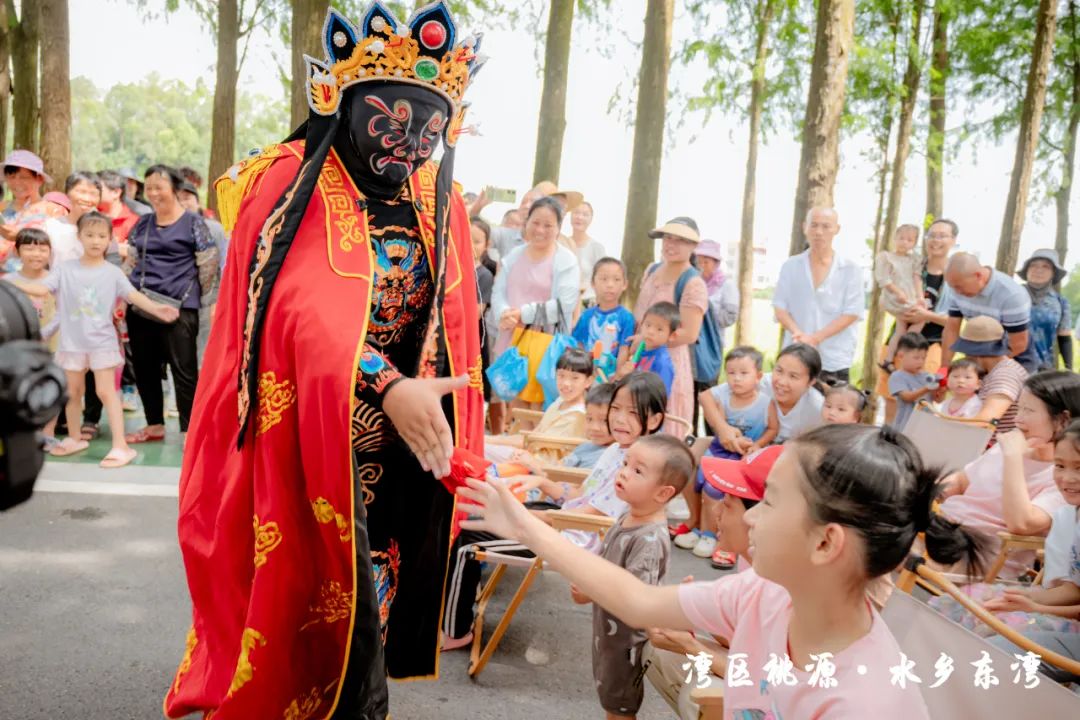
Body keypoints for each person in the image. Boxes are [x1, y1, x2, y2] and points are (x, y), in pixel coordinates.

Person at [165, 7, 487, 717]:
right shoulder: (292, 179)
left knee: (372, 599)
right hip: (307, 428)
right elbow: (288, 310)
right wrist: (385, 381)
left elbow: (460, 322)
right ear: (341, 105)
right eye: (392, 125)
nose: (410, 148)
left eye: (429, 134)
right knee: (303, 593)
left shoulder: (438, 197)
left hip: (402, 442)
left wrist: (451, 413)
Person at [457, 423, 987, 719]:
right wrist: (524, 525)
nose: (748, 516)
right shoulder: (763, 594)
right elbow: (637, 601)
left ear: (826, 543)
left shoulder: (862, 705)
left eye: (768, 501)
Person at [442, 372, 667, 650]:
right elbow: (578, 496)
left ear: (654, 420)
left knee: (467, 538)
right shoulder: (616, 450)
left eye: (632, 412)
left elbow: (587, 518)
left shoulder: (633, 465)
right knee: (477, 515)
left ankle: (456, 630)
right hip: (563, 520)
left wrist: (519, 514)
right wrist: (540, 482)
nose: (619, 419)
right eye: (616, 409)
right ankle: (461, 598)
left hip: (570, 539)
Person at [18, 212, 179, 466]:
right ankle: (74, 438)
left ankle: (121, 446)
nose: (95, 241)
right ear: (79, 237)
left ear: (110, 240)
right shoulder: (64, 269)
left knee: (106, 392)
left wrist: (158, 309)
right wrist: (14, 283)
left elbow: (133, 296)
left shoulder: (113, 272)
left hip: (101, 343)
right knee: (72, 393)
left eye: (102, 236)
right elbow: (41, 289)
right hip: (71, 344)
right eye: (90, 235)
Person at [571, 434, 691, 720]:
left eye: (638, 471)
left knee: (620, 706)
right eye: (625, 463)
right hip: (610, 634)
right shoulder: (630, 514)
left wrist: (591, 591)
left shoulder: (648, 539)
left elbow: (635, 598)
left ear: (662, 493)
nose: (624, 472)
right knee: (611, 700)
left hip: (627, 643)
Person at [930, 419, 1080, 640]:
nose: (1067, 478)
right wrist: (1024, 596)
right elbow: (1072, 590)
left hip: (1069, 628)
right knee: (952, 602)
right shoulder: (1068, 515)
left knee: (991, 625)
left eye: (1078, 467)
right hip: (1050, 599)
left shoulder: (1056, 503)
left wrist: (1035, 607)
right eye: (1059, 466)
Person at [938, 371, 1080, 578]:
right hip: (942, 531)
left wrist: (1013, 457)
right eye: (1019, 408)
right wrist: (928, 490)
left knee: (891, 547)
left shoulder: (1065, 477)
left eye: (1028, 410)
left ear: (1063, 421)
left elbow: (1021, 523)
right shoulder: (1012, 444)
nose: (1017, 418)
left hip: (977, 556)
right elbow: (961, 481)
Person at [123, 165, 218, 445]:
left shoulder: (194, 224)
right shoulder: (143, 223)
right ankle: (154, 425)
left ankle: (190, 430)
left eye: (159, 187)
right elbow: (131, 261)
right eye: (149, 188)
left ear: (176, 189)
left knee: (184, 370)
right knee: (145, 369)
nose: (153, 193)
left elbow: (208, 267)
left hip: (180, 308)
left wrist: (202, 304)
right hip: (142, 307)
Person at [681, 346, 777, 566]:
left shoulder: (765, 403)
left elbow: (773, 428)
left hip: (744, 456)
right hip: (720, 450)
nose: (736, 378)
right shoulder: (723, 398)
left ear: (758, 376)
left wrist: (758, 445)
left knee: (717, 491)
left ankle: (716, 537)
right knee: (700, 483)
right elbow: (721, 429)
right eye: (731, 373)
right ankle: (702, 530)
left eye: (744, 373)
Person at [490, 197, 579, 408]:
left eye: (548, 225)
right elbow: (498, 292)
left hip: (546, 346)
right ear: (526, 222)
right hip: (513, 342)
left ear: (558, 228)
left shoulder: (566, 260)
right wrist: (504, 313)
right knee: (515, 408)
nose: (540, 230)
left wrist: (522, 314)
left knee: (539, 409)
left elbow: (565, 305)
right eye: (536, 222)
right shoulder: (514, 255)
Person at [876, 218, 958, 424]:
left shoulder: (956, 277)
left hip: (931, 347)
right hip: (900, 344)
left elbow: (956, 321)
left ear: (953, 240)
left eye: (942, 236)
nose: (935, 240)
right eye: (932, 235)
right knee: (891, 408)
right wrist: (900, 309)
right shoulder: (912, 265)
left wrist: (926, 316)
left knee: (922, 409)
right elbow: (885, 297)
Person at [773, 207, 864, 385]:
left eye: (826, 226)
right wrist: (798, 334)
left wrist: (815, 338)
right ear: (804, 227)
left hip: (834, 357)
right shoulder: (791, 266)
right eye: (814, 225)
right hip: (796, 355)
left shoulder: (851, 270)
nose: (819, 232)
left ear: (837, 229)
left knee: (835, 402)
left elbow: (852, 312)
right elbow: (779, 306)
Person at [633, 217, 708, 434]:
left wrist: (650, 339)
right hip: (638, 357)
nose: (671, 244)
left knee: (662, 426)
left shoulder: (693, 283)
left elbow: (689, 333)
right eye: (668, 238)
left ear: (693, 246)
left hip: (668, 364)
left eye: (680, 240)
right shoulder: (652, 269)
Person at [485, 346, 591, 461]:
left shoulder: (576, 415)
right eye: (561, 375)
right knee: (482, 447)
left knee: (482, 449)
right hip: (529, 455)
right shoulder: (562, 400)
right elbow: (533, 437)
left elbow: (532, 442)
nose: (566, 383)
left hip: (539, 464)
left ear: (588, 381)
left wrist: (490, 440)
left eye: (575, 378)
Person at [943, 251, 1038, 372]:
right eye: (952, 287)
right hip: (978, 357)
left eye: (958, 287)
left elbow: (1018, 343)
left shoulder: (1012, 295)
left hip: (1015, 358)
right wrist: (944, 367)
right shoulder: (957, 288)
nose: (956, 292)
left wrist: (986, 368)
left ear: (978, 276)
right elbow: (952, 329)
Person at [951, 316, 1028, 438]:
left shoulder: (1005, 375)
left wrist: (945, 426)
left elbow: (985, 420)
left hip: (999, 445)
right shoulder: (991, 372)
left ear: (975, 352)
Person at [692, 239, 739, 426]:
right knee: (690, 391)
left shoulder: (726, 285)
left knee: (709, 392)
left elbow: (730, 316)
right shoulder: (692, 282)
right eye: (699, 260)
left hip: (712, 346)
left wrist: (706, 313)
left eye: (707, 260)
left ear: (716, 262)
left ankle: (714, 432)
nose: (702, 265)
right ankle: (690, 433)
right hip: (691, 345)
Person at [572, 257, 635, 381]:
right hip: (586, 375)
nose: (610, 285)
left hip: (610, 377)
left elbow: (624, 349)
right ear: (593, 283)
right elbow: (579, 345)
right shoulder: (586, 316)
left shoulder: (626, 318)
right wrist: (582, 370)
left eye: (616, 279)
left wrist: (618, 376)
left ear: (625, 284)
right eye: (604, 279)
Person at [877, 224, 926, 369]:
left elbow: (917, 278)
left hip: (910, 296)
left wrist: (920, 297)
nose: (904, 242)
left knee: (900, 329)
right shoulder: (886, 257)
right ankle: (905, 349)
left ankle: (889, 360)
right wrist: (898, 292)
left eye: (909, 240)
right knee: (921, 318)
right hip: (896, 297)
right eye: (901, 238)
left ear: (914, 243)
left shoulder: (914, 259)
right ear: (895, 238)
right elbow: (884, 280)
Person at [1018, 248, 1073, 372]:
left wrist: (1069, 369)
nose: (1038, 270)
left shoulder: (1061, 302)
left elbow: (1064, 339)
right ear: (1027, 270)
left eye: (1046, 266)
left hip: (1043, 370)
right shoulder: (1011, 294)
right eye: (1033, 265)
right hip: (1010, 367)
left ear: (1053, 273)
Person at [763, 343, 825, 442]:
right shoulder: (757, 386)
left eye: (793, 376)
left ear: (811, 382)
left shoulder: (818, 409)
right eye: (779, 371)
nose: (782, 382)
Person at [620, 300, 677, 397]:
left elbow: (661, 396)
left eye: (659, 329)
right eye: (648, 325)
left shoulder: (662, 362)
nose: (650, 331)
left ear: (672, 336)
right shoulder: (641, 349)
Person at [0, 150, 49, 262]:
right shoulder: (1, 208)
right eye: (11, 177)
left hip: (32, 271)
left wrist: (21, 236)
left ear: (39, 179)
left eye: (23, 177)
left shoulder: (53, 211)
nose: (17, 182)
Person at [888, 333, 940, 431]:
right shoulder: (897, 376)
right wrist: (927, 388)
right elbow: (907, 397)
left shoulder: (927, 376)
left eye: (923, 358)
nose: (920, 362)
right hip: (906, 425)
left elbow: (937, 400)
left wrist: (940, 389)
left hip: (926, 424)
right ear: (901, 356)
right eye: (916, 358)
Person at [569, 201, 606, 306]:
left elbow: (603, 278)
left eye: (585, 215)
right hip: (565, 302)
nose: (579, 217)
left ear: (591, 219)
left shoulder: (597, 248)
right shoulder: (562, 244)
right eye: (576, 212)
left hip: (589, 302)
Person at [97, 170, 140, 249]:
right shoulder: (88, 215)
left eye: (98, 189)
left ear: (116, 192)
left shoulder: (134, 223)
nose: (93, 192)